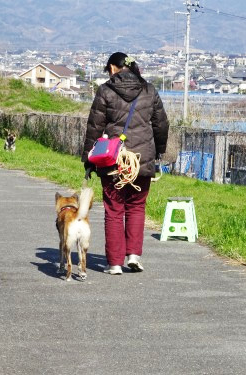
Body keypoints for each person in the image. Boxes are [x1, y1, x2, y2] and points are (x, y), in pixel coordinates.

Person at [81, 52, 169, 275]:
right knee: (137, 207)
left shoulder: (106, 90)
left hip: (113, 159)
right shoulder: (149, 90)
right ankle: (134, 256)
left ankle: (114, 263)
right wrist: (157, 152)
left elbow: (94, 127)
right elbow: (161, 125)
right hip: (142, 160)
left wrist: (88, 160)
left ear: (112, 68)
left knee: (113, 209)